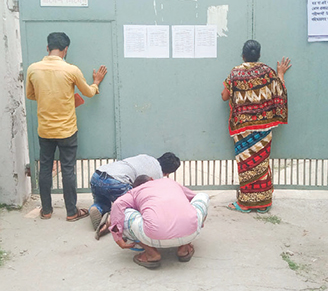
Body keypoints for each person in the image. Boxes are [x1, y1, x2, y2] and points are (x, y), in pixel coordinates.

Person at [26, 32, 107, 222]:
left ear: (47, 48)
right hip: (67, 130)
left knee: (45, 167)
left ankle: (46, 210)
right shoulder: (71, 70)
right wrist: (96, 82)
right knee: (68, 169)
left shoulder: (33, 69)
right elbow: (88, 92)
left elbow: (31, 95)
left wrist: (49, 96)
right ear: (66, 50)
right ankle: (71, 212)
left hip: (45, 130)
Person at [221, 39, 291, 213]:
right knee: (261, 164)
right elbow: (280, 91)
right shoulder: (267, 71)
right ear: (258, 55)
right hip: (263, 129)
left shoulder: (235, 73)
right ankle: (263, 203)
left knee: (246, 166)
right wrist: (280, 73)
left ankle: (245, 203)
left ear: (243, 55)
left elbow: (224, 96)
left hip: (243, 129)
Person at [109, 177, 209, 269]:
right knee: (202, 196)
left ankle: (151, 253)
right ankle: (184, 248)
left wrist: (117, 236)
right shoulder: (169, 182)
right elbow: (192, 196)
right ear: (152, 179)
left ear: (135, 187)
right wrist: (199, 222)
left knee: (122, 213)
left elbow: (118, 205)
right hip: (191, 232)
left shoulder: (134, 192)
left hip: (153, 237)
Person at [89, 152, 180, 231]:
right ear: (168, 173)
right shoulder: (157, 176)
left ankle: (97, 208)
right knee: (132, 206)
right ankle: (109, 221)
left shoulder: (146, 157)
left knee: (102, 202)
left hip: (97, 175)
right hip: (116, 182)